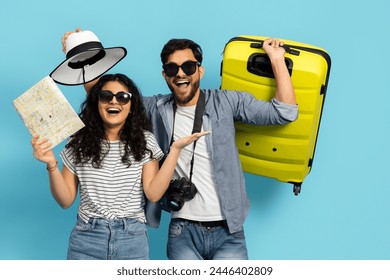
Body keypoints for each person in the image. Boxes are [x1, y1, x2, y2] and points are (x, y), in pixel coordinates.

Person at [62, 29, 298, 260]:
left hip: (230, 229)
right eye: (172, 68)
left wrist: (277, 60)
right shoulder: (154, 108)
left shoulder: (227, 101)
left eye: (188, 66)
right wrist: (79, 51)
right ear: (165, 74)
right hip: (181, 229)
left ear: (200, 70)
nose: (181, 73)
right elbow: (105, 95)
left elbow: (285, 112)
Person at [31, 73, 207, 260]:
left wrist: (175, 150)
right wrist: (52, 165)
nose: (114, 102)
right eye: (106, 96)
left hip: (131, 238)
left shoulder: (145, 140)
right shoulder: (79, 141)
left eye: (123, 97)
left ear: (131, 107)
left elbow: (154, 193)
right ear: (97, 103)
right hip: (87, 237)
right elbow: (65, 200)